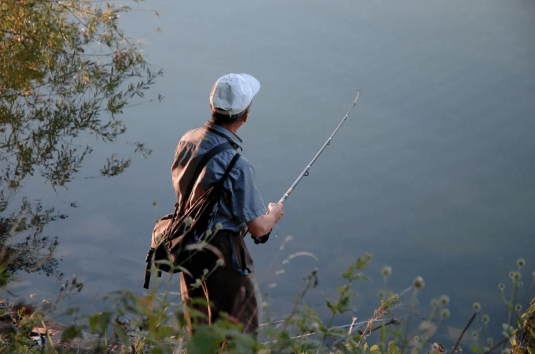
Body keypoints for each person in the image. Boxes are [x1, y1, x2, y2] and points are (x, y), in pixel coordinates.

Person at [171, 73, 284, 334]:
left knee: (198, 332)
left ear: (213, 107)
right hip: (222, 253)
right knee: (239, 335)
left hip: (187, 242)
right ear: (245, 115)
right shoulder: (238, 165)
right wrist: (273, 213)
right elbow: (257, 228)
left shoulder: (186, 140)